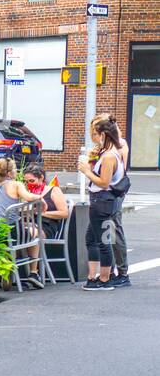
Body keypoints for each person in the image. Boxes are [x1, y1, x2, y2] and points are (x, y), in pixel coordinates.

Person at [77, 116, 127, 290]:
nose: (94, 138)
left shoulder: (109, 156)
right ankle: (96, 277)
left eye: (96, 134)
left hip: (102, 201)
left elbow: (104, 182)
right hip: (103, 201)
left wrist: (86, 172)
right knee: (94, 238)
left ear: (104, 135)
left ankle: (104, 280)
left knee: (101, 241)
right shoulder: (111, 153)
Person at [108, 116, 130, 286]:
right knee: (110, 230)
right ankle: (112, 269)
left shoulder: (119, 144)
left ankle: (121, 272)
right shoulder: (120, 144)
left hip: (113, 192)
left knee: (114, 230)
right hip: (114, 192)